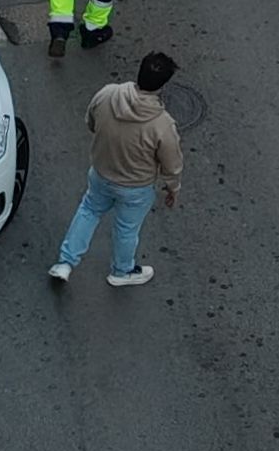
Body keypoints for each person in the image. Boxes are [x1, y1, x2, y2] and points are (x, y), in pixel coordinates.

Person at [48, 51, 183, 288]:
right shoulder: (162, 124)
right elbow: (171, 165)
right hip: (136, 188)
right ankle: (122, 271)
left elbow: (90, 121)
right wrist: (173, 188)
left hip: (101, 173)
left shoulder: (108, 93)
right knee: (126, 229)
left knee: (88, 211)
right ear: (162, 86)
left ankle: (65, 263)